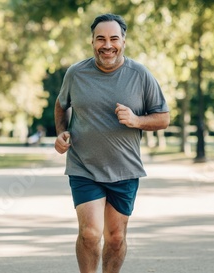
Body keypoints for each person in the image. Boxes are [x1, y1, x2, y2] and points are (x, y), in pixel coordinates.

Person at [54, 13, 170, 273]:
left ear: (123, 42)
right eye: (100, 39)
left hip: (124, 169)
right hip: (84, 167)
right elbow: (61, 105)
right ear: (92, 42)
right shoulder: (76, 73)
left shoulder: (140, 75)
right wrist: (62, 133)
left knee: (116, 238)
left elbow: (163, 119)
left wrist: (136, 120)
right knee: (90, 234)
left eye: (113, 39)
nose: (107, 45)